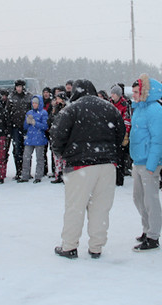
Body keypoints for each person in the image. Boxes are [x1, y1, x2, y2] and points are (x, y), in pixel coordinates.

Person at [50, 79, 125, 259]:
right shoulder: (110, 108)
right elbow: (120, 133)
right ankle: (96, 246)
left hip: (79, 166)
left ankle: (69, 246)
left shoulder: (71, 109)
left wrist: (63, 155)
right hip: (107, 164)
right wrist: (110, 152)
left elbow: (57, 135)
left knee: (75, 207)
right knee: (101, 207)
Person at [130, 74, 162, 252]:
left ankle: (153, 236)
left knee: (150, 200)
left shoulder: (155, 110)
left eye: (137, 92)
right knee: (138, 198)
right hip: (138, 161)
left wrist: (152, 164)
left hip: (149, 163)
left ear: (145, 92)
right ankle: (147, 229)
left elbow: (158, 139)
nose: (134, 95)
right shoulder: (139, 108)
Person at [6, 80, 33, 180]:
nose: (19, 88)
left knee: (27, 150)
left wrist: (29, 123)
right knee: (17, 150)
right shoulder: (11, 97)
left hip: (26, 127)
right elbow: (7, 112)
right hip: (15, 127)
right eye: (17, 86)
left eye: (20, 86)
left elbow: (31, 111)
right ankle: (19, 171)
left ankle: (27, 171)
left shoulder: (29, 96)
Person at [20, 95, 48, 183]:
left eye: (36, 103)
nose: (34, 104)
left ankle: (38, 176)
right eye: (33, 103)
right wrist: (27, 121)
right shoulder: (29, 112)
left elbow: (45, 126)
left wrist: (35, 123)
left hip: (39, 138)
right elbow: (25, 127)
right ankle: (25, 175)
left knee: (39, 158)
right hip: (29, 138)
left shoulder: (43, 113)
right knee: (26, 157)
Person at [109, 85, 131, 187]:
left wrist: (125, 133)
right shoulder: (109, 103)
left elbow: (127, 120)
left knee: (120, 157)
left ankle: (119, 178)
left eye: (113, 93)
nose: (112, 95)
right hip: (111, 132)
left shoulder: (124, 104)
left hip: (120, 133)